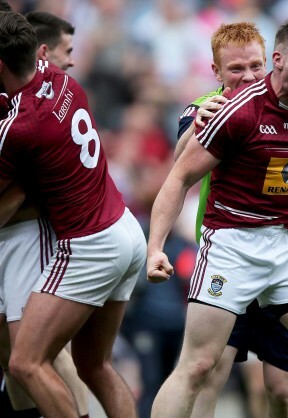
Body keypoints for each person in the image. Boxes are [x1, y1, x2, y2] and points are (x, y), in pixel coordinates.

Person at [147, 15, 288, 418]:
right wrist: (155, 249)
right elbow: (179, 173)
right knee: (201, 366)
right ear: (282, 59)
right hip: (232, 244)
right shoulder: (228, 110)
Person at [0, 11, 147, 418]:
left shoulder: (21, 127)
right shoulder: (58, 77)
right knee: (95, 366)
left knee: (26, 362)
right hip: (126, 229)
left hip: (91, 243)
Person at [0, 9, 88, 418]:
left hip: (27, 234)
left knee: (38, 355)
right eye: (65, 50)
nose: (70, 61)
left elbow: (25, 183)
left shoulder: (33, 98)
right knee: (9, 352)